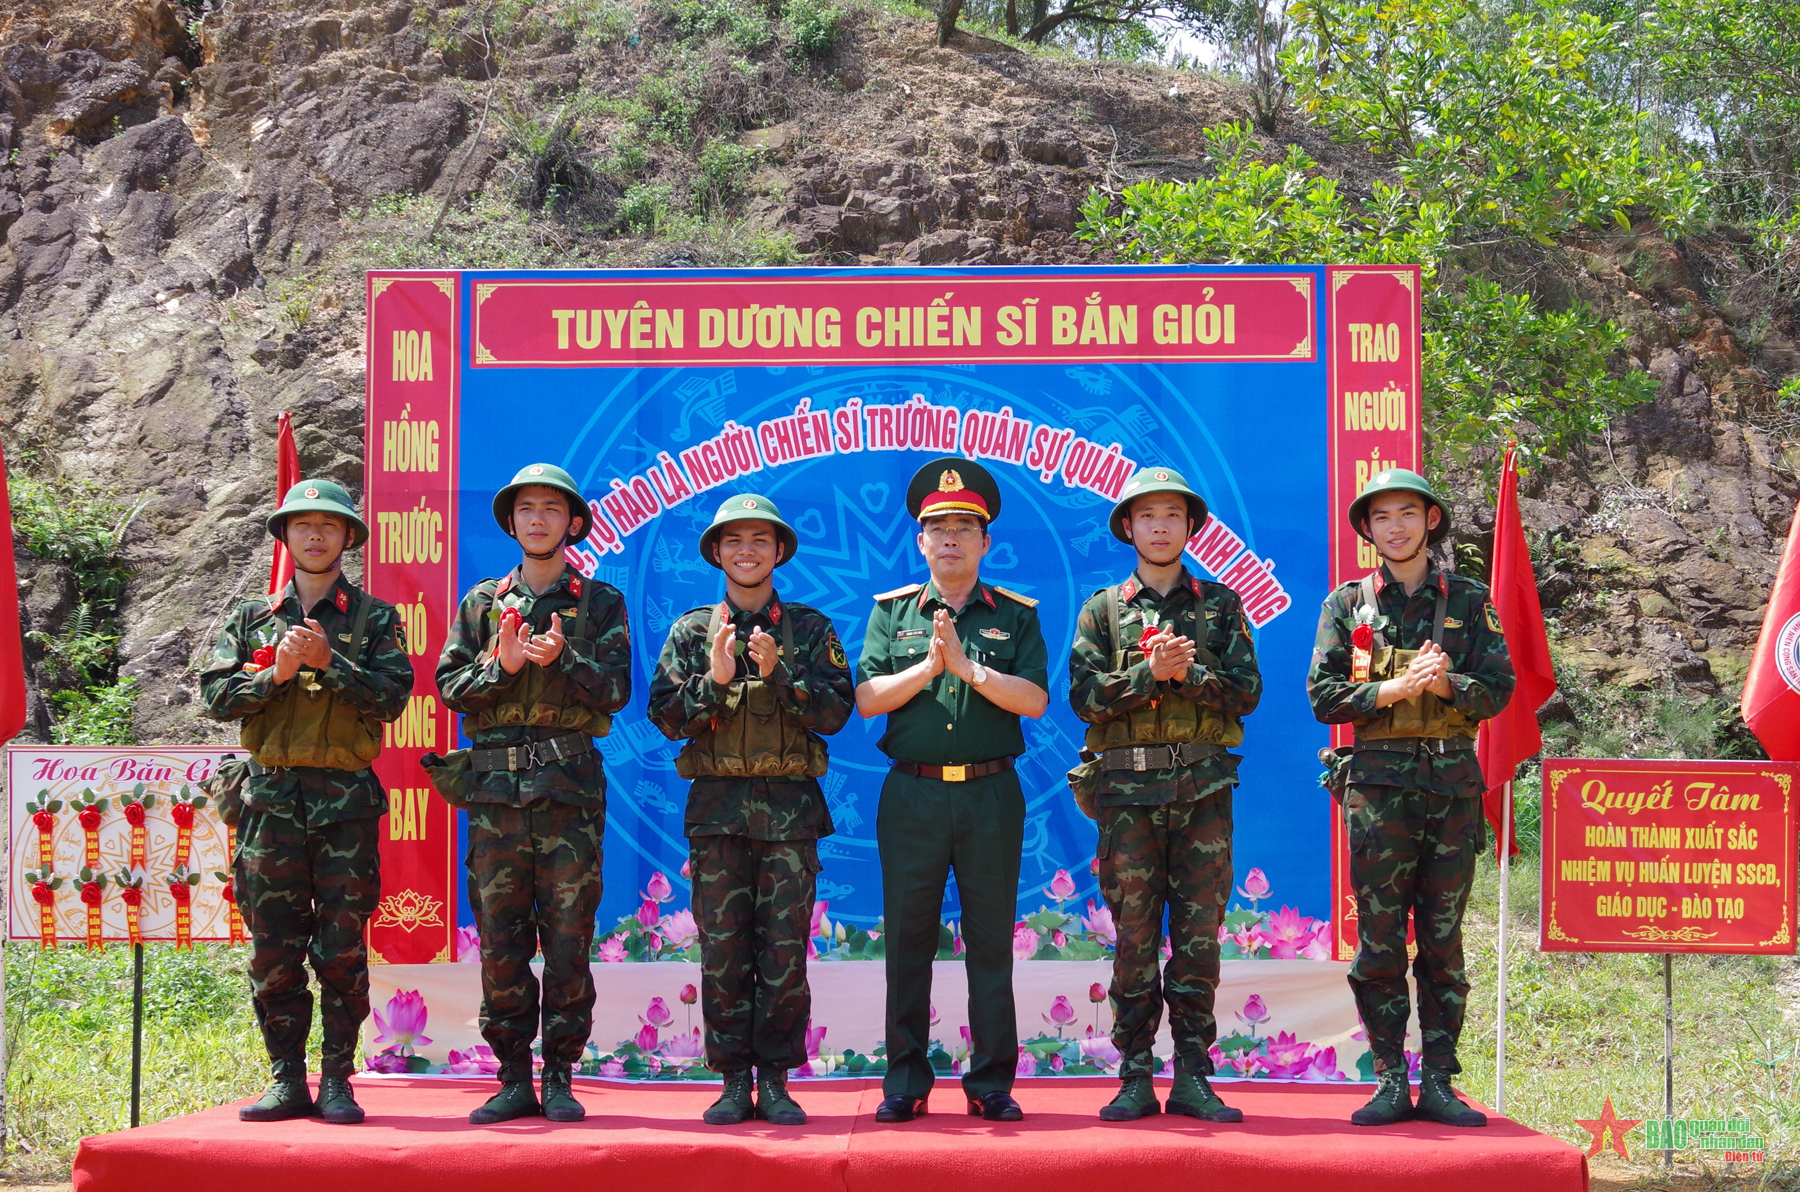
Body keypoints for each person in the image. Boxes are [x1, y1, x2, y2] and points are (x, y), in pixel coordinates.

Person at [201, 479, 413, 1125]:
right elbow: (215, 698)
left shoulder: (375, 619)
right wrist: (278, 674)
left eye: (328, 525)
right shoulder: (250, 618)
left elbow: (393, 699)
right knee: (274, 948)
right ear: (285, 537)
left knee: (342, 949)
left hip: (344, 804)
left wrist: (332, 663)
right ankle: (286, 1078)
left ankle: (339, 1079)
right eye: (302, 525)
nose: (315, 535)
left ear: (349, 537)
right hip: (270, 802)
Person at [1306, 468, 1514, 1128]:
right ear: (1367, 530)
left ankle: (1443, 1082)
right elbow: (1323, 696)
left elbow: (1501, 687)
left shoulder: (1471, 600)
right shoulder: (1347, 604)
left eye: (1407, 513)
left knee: (1445, 943)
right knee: (1380, 943)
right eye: (1381, 516)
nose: (1394, 526)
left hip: (1451, 788)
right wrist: (1394, 691)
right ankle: (1392, 1079)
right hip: (1378, 792)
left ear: (1431, 521)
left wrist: (1448, 683)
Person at [647, 494, 854, 1127]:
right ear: (716, 552)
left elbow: (837, 713)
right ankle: (735, 1079)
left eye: (759, 540)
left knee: (785, 952)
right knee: (724, 952)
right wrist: (713, 676)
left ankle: (777, 1079)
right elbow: (664, 716)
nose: (746, 551)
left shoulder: (811, 629)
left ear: (779, 551)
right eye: (733, 541)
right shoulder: (689, 631)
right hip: (717, 817)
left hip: (791, 818)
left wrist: (782, 674)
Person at [853, 457, 1049, 1124]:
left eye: (965, 528)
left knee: (990, 941)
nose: (950, 540)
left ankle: (992, 1080)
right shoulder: (892, 614)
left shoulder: (1015, 616)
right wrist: (931, 667)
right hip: (912, 797)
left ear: (985, 541)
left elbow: (1035, 701)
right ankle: (906, 1080)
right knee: (908, 942)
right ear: (920, 541)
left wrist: (970, 671)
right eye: (937, 528)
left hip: (991, 796)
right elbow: (869, 699)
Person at [435, 464, 631, 1125]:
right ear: (512, 522)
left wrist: (563, 660)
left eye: (552, 508)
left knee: (570, 938)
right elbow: (449, 688)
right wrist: (505, 662)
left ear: (572, 523)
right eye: (527, 509)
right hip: (495, 798)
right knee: (500, 938)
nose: (539, 518)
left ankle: (560, 1074)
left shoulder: (599, 603)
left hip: (568, 796)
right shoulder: (482, 603)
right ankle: (513, 1074)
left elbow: (617, 692)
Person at [1067, 466, 1261, 1123]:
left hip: (1203, 790)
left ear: (1189, 526)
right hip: (1126, 794)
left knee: (1198, 936)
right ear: (1128, 526)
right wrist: (1146, 676)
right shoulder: (1102, 610)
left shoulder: (1221, 606)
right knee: (1134, 936)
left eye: (1171, 516)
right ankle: (1134, 1074)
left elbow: (1247, 692)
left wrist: (1192, 674)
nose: (1159, 526)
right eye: (1146, 516)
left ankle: (1194, 1076)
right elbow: (1083, 698)